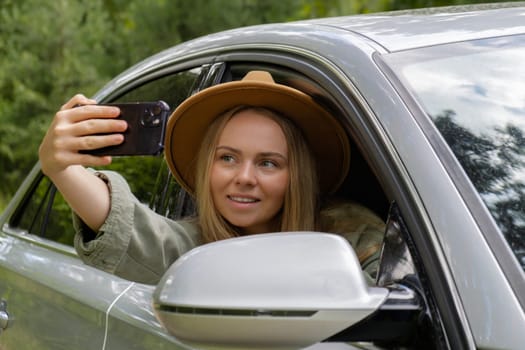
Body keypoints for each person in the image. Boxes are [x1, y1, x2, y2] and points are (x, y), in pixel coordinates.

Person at [39, 70, 384, 284]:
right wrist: (60, 168)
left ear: (298, 176)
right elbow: (135, 231)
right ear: (207, 167)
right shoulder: (195, 247)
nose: (244, 177)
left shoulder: (354, 237)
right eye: (228, 158)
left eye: (268, 163)